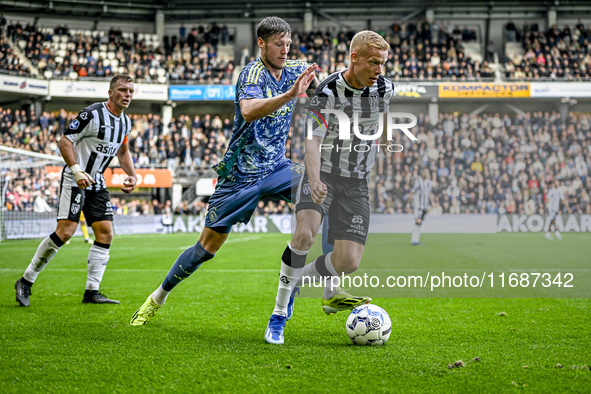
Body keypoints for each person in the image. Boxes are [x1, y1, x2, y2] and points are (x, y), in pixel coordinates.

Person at [130, 16, 318, 325]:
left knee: (320, 198)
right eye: (278, 44)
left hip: (278, 166)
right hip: (240, 175)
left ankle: (294, 291)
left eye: (288, 44)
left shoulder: (299, 69)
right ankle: (158, 296)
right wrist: (289, 95)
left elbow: (324, 95)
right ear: (261, 43)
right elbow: (249, 110)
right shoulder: (252, 73)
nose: (285, 50)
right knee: (206, 249)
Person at [265, 30, 395, 344]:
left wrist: (386, 138)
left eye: (383, 63)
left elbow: (382, 112)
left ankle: (296, 281)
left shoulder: (385, 88)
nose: (379, 70)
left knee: (348, 262)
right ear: (354, 58)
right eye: (373, 63)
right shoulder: (328, 92)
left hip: (357, 183)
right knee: (306, 233)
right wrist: (314, 180)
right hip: (323, 173)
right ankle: (279, 315)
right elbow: (312, 139)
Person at [14, 74, 137, 307]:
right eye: (122, 90)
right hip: (75, 178)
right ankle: (26, 281)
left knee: (105, 234)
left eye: (130, 91)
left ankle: (92, 292)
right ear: (111, 93)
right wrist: (77, 170)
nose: (127, 95)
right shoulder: (91, 114)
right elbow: (65, 141)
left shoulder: (125, 122)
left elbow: (123, 151)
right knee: (65, 232)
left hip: (97, 182)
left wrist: (132, 174)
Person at [410, 168, 433, 246]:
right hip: (418, 206)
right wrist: (408, 204)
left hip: (425, 207)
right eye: (425, 172)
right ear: (422, 172)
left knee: (420, 223)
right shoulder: (418, 181)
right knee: (417, 222)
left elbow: (429, 193)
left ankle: (416, 239)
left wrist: (432, 203)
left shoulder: (429, 182)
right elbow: (412, 192)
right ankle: (414, 240)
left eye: (428, 172)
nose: (426, 174)